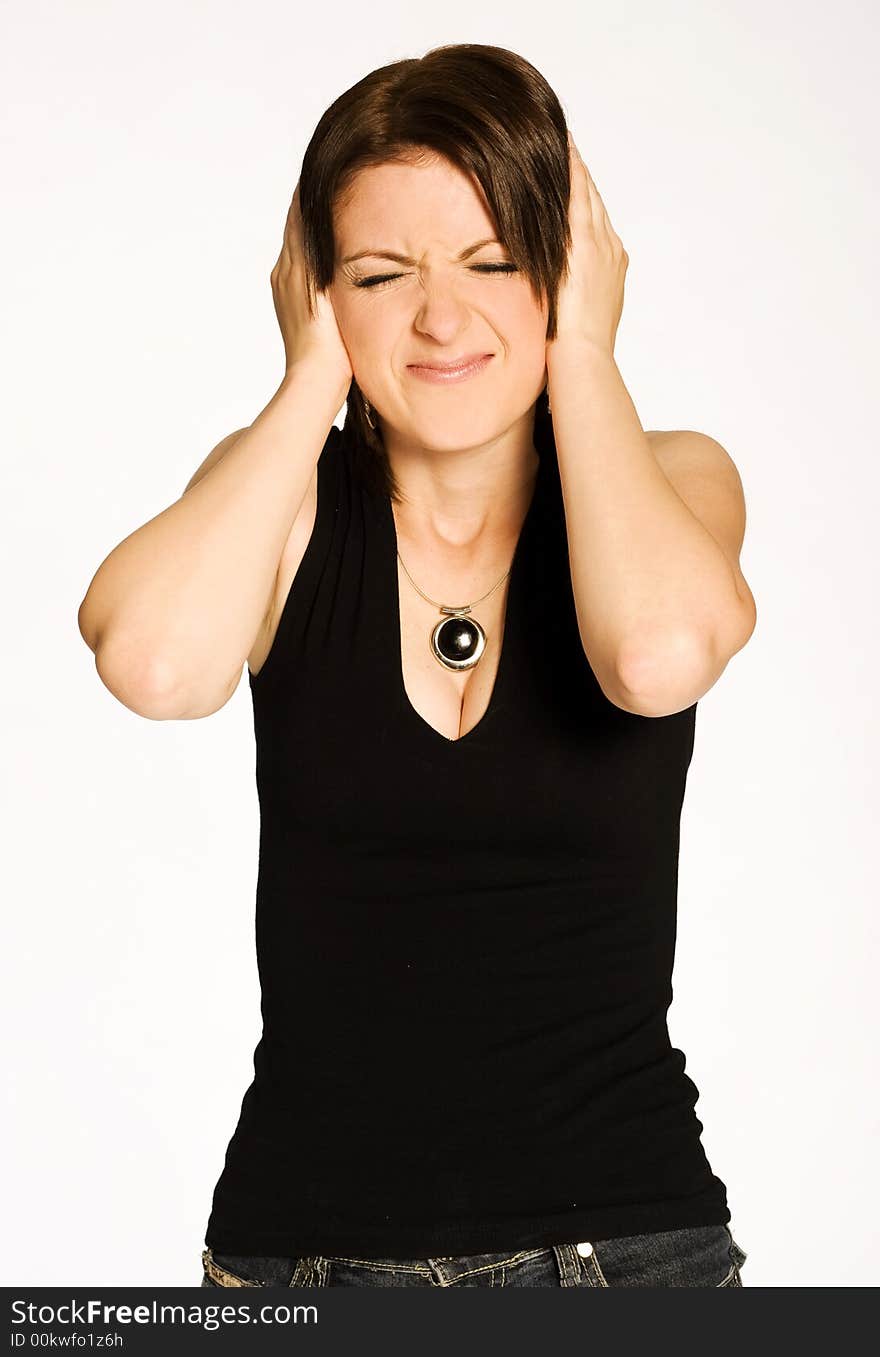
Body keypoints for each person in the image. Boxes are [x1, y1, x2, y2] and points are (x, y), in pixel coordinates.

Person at [78, 44, 756, 1288]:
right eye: (383, 276)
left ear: (567, 269)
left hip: (625, 1250)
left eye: (495, 262)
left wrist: (586, 358)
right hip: (302, 1258)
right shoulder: (280, 501)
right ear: (319, 289)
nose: (441, 319)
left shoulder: (675, 479)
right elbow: (152, 662)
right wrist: (306, 381)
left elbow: (655, 657)